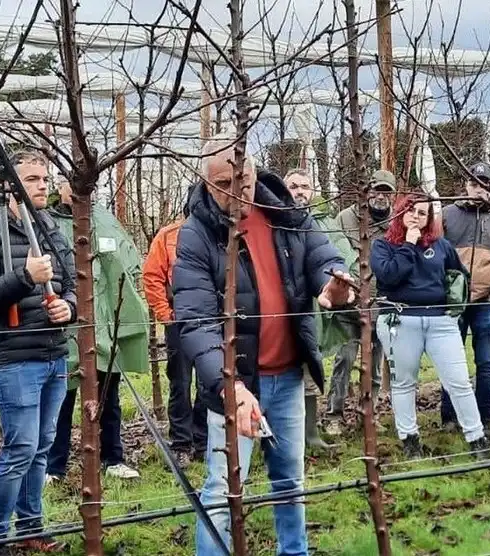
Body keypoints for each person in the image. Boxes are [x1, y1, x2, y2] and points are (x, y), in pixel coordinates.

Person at [173, 134, 353, 555]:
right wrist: (229, 387)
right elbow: (195, 321)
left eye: (245, 179)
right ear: (206, 183)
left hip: (288, 376)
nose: (238, 191)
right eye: (225, 183)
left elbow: (321, 253)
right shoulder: (197, 235)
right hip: (236, 383)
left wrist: (334, 279)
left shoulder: (284, 211)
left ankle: (295, 552)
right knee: (222, 487)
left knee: (291, 481)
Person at [0, 150, 77, 556]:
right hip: (14, 362)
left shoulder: (51, 230)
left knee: (42, 446)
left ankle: (31, 528)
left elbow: (73, 283)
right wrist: (25, 276)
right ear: (10, 186)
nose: (42, 185)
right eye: (31, 179)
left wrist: (70, 307)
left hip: (53, 355)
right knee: (21, 448)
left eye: (45, 178)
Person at [371, 193, 490, 458]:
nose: (415, 216)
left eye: (422, 213)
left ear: (429, 218)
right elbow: (390, 275)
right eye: (411, 210)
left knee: (459, 381)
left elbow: (459, 276)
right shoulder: (383, 246)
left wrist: (455, 308)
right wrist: (409, 245)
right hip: (400, 321)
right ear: (400, 212)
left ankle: (477, 438)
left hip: (441, 322)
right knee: (404, 383)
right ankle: (410, 440)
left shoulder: (442, 245)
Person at [45, 176, 146, 482]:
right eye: (69, 182)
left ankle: (112, 458)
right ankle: (53, 466)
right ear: (59, 185)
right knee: (61, 399)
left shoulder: (104, 218)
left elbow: (128, 261)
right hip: (64, 325)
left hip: (103, 325)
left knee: (108, 396)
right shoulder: (47, 222)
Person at [284, 168, 357, 449]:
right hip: (280, 311)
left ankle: (310, 435)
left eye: (304, 185)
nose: (299, 191)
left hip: (317, 310)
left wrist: (340, 281)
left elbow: (340, 257)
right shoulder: (274, 219)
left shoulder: (326, 223)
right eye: (293, 186)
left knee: (309, 370)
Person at [440, 162, 490, 436]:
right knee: (450, 362)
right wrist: (443, 293)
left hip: (486, 302)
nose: (476, 188)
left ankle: (485, 416)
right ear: (465, 185)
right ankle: (448, 416)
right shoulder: (447, 215)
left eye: (482, 183)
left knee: (486, 362)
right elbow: (435, 256)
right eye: (472, 182)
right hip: (453, 303)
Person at [325, 170, 394, 435]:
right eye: (376, 189)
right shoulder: (345, 218)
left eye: (386, 191)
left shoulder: (393, 224)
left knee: (375, 363)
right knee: (345, 359)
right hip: (349, 304)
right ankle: (334, 414)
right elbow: (333, 255)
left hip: (380, 303)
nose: (380, 195)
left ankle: (370, 411)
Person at [142, 189, 207, 466]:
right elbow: (151, 276)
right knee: (180, 383)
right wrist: (166, 314)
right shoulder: (168, 235)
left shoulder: (219, 234)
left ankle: (204, 441)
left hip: (211, 319)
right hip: (179, 319)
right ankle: (181, 443)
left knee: (210, 383)